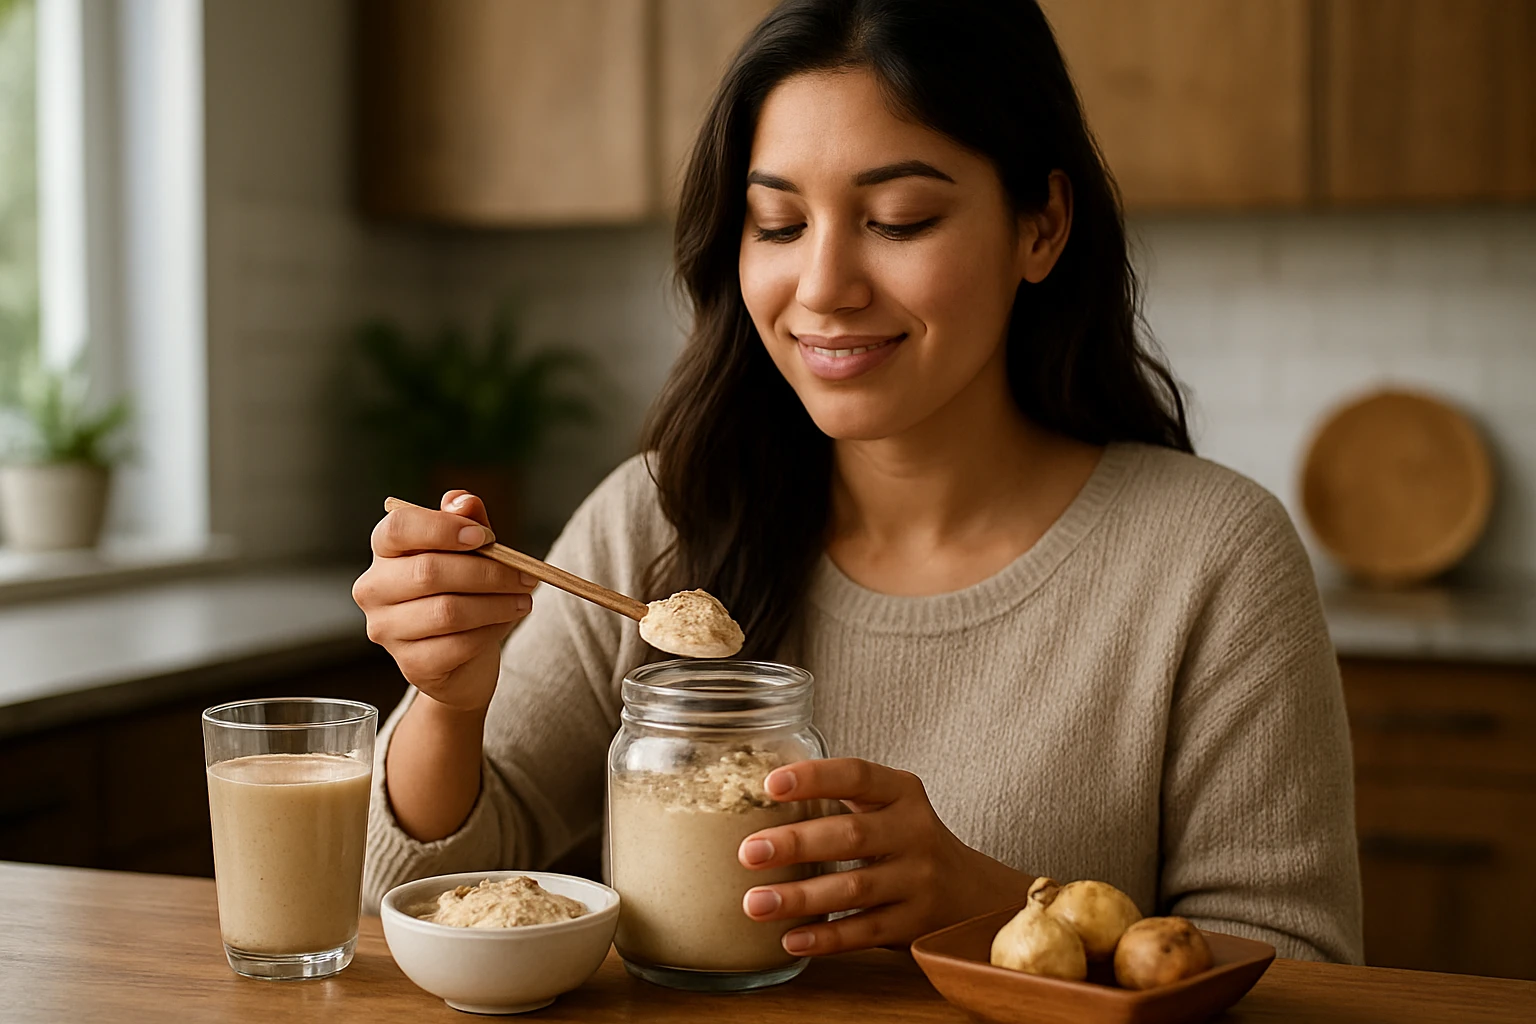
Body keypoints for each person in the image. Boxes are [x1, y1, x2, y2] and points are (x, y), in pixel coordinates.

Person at [352, 0, 1362, 963]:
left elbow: (1300, 971)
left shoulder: (1211, 558)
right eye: (779, 226)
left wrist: (996, 905)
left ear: (1041, 225)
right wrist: (446, 701)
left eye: (899, 218)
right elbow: (401, 887)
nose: (825, 287)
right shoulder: (661, 520)